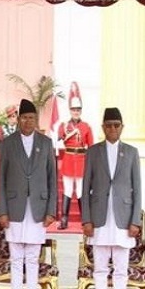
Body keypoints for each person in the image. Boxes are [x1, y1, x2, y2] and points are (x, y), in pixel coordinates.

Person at [0, 99, 57, 289]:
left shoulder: (46, 143)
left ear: (36, 120)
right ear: (18, 119)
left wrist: (51, 209)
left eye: (31, 118)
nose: (28, 121)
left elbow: (53, 178)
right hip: (14, 209)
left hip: (38, 210)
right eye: (24, 117)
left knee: (32, 259)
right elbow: (0, 179)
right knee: (15, 258)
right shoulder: (9, 143)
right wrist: (2, 210)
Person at [81, 107, 141, 289]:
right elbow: (85, 186)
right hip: (99, 219)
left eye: (116, 125)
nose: (113, 129)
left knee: (121, 269)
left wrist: (135, 221)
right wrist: (86, 219)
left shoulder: (132, 152)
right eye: (109, 125)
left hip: (123, 219)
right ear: (103, 128)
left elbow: (137, 189)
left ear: (122, 127)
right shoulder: (93, 152)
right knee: (99, 267)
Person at [56, 91, 93, 229]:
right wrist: (57, 134)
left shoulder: (86, 127)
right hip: (69, 160)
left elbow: (91, 147)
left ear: (81, 111)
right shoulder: (64, 125)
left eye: (78, 110)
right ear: (70, 111)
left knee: (81, 191)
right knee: (67, 189)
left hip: (82, 161)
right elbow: (58, 137)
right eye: (74, 110)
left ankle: (84, 220)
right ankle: (64, 220)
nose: (76, 112)